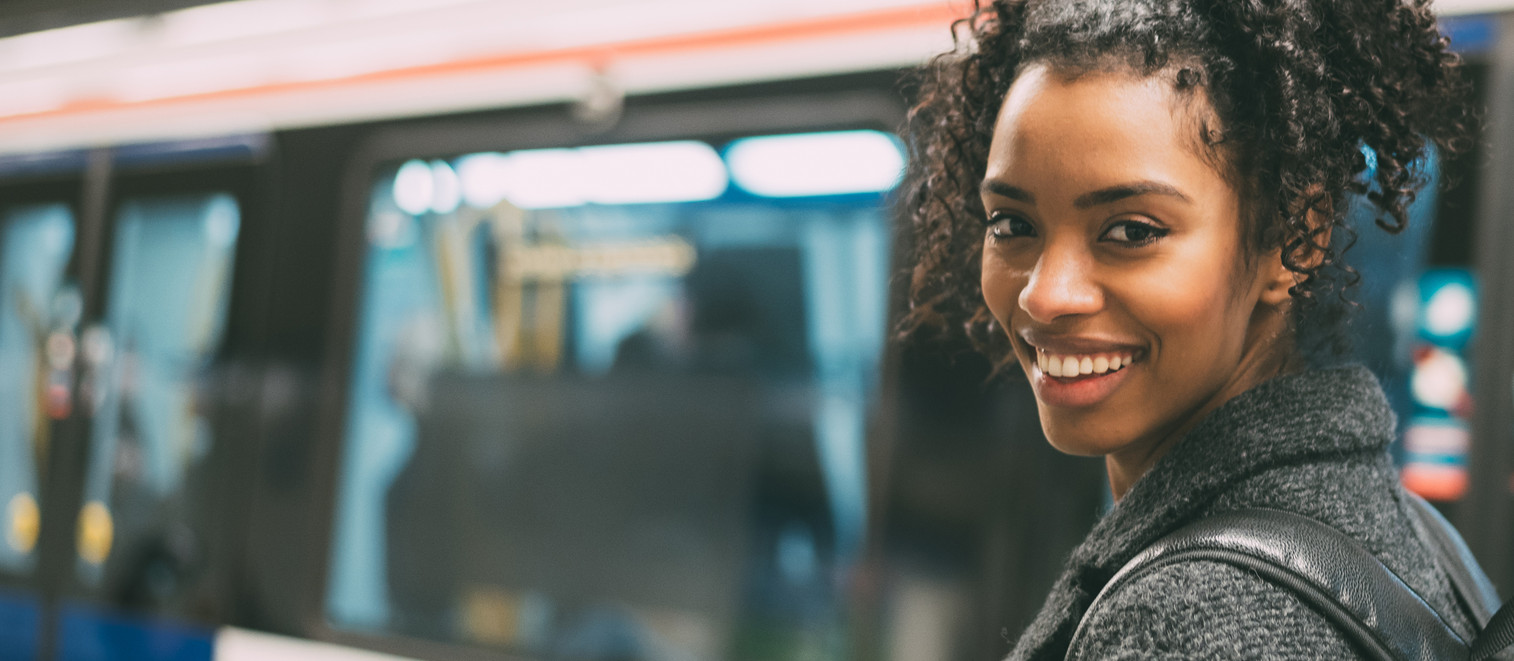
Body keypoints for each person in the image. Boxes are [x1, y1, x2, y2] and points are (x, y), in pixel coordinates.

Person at [899, 0, 1476, 658]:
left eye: (1131, 231)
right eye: (1011, 224)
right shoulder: (1424, 541)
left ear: (1295, 234)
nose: (1045, 294)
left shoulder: (1178, 624)